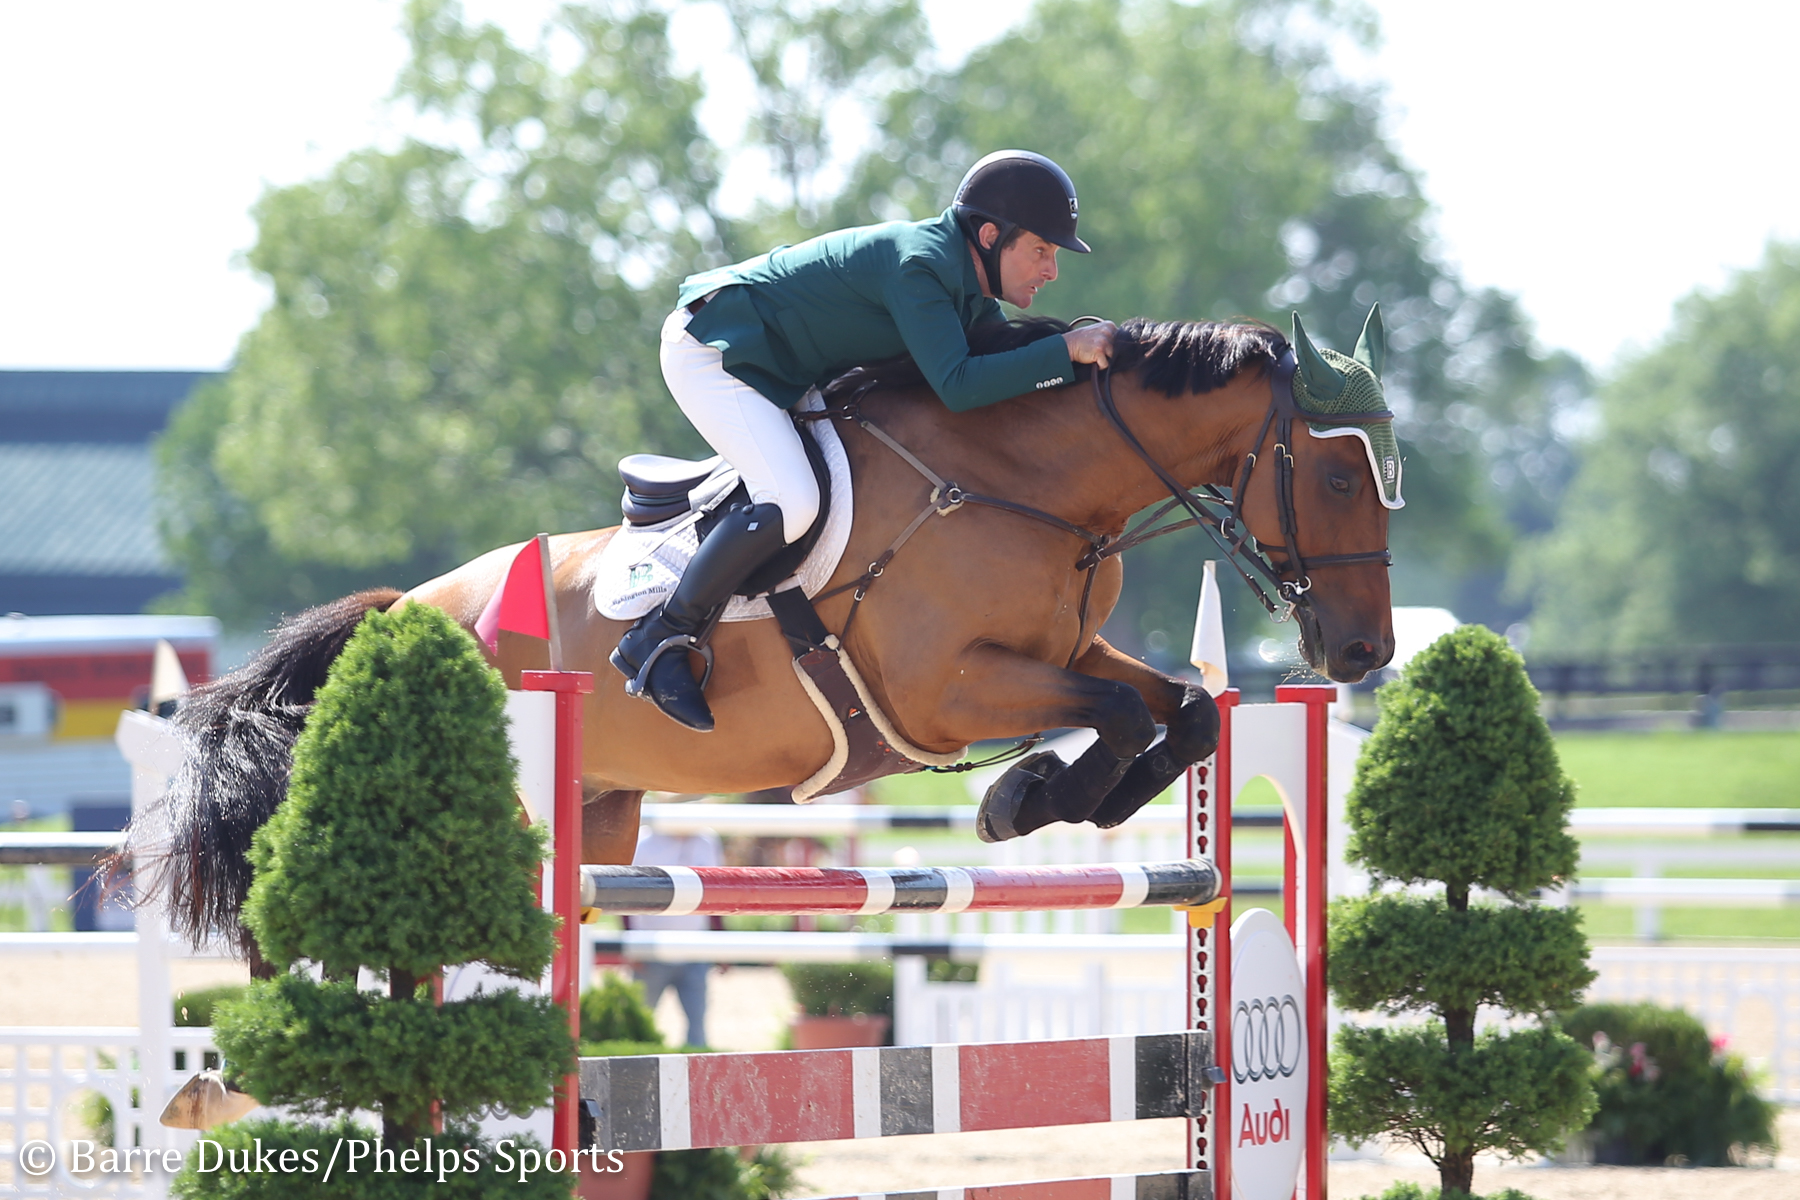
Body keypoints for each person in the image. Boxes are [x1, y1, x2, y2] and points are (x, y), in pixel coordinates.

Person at [613, 149, 1119, 731]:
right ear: (989, 235)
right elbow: (957, 385)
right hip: (716, 352)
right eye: (1042, 249)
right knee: (793, 500)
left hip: (771, 363)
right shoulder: (921, 265)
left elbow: (1001, 357)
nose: (1052, 269)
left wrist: (1082, 357)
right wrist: (1063, 353)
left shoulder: (963, 280)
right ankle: (659, 638)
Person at [627, 823, 724, 1048]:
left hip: (695, 946)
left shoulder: (706, 840)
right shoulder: (644, 841)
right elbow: (627, 896)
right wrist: (634, 945)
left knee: (698, 1025)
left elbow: (719, 890)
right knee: (641, 1022)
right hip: (651, 947)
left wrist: (719, 943)